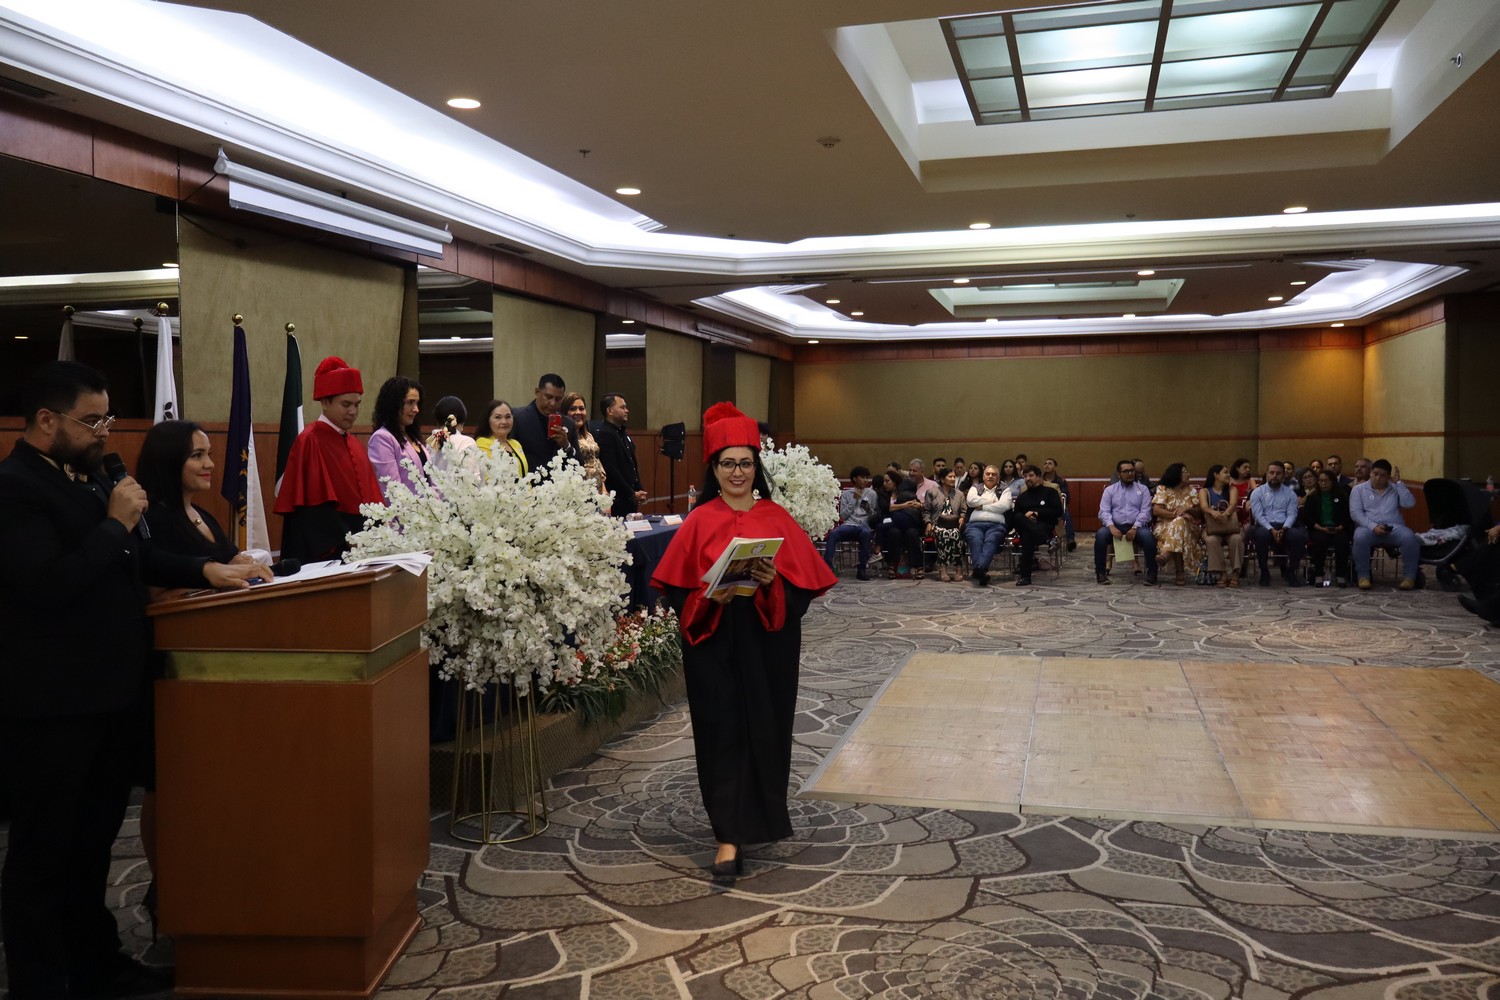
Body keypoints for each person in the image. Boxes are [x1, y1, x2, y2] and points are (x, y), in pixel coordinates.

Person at [0, 362, 265, 1000]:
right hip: (53, 705)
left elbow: (136, 557)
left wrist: (206, 570)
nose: (103, 434)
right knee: (44, 854)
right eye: (92, 421)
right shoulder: (15, 489)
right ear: (46, 420)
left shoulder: (88, 477)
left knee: (93, 843)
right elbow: (47, 583)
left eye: (107, 419)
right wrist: (115, 523)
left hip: (108, 695)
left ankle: (96, 965)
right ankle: (41, 983)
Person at [649, 402, 835, 882]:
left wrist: (773, 583)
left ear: (757, 466)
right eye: (728, 463)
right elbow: (677, 592)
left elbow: (801, 592)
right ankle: (727, 837)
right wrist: (709, 595)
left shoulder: (776, 516)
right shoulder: (698, 521)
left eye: (746, 463)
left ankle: (760, 818)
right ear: (713, 468)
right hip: (713, 642)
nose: (737, 472)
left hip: (767, 642)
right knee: (721, 730)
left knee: (766, 730)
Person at [274, 356, 385, 564]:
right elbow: (312, 508)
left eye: (357, 405)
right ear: (325, 402)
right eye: (346, 404)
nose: (353, 412)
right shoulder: (310, 440)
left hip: (360, 545)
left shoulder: (355, 444)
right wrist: (347, 541)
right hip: (328, 547)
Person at [1351, 459, 1418, 590]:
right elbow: (1356, 514)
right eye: (1375, 474)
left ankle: (1409, 577)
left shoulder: (1395, 488)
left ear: (1388, 477)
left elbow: (1409, 504)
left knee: (1410, 537)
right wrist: (1373, 527)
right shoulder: (1358, 490)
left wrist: (1399, 484)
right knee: (1359, 537)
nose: (1378, 478)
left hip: (1394, 528)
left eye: (1382, 475)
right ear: (1370, 473)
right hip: (1369, 528)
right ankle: (1363, 576)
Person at [1095, 458, 1157, 585]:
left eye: (1132, 471)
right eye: (1126, 471)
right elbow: (1104, 512)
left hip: (1137, 526)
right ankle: (1100, 573)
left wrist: (1135, 527)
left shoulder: (1143, 489)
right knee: (1101, 536)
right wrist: (1111, 527)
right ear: (1119, 474)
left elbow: (1145, 512)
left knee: (1148, 538)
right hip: (1114, 525)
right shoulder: (1110, 490)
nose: (1130, 474)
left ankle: (1152, 574)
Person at [366, 375, 429, 500]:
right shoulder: (382, 438)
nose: (416, 409)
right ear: (393, 404)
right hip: (404, 510)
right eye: (410, 402)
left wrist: (438, 509)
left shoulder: (413, 436)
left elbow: (431, 482)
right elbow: (393, 489)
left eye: (417, 403)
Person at [1249, 461, 1306, 587]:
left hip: (1285, 525)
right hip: (1265, 526)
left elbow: (1292, 514)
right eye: (1271, 473)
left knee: (1298, 537)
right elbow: (1258, 515)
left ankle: (1291, 571)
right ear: (1267, 474)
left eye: (1278, 473)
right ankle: (1264, 571)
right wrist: (1271, 529)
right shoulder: (1257, 492)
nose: (1274, 476)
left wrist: (1284, 528)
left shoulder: (1290, 493)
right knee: (1261, 536)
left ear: (1283, 475)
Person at [510, 373, 578, 474]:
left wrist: (566, 445)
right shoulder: (517, 418)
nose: (553, 403)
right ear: (537, 392)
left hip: (560, 482)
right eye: (548, 397)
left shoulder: (569, 424)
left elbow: (579, 464)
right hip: (527, 481)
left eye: (558, 399)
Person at [594, 393, 646, 517]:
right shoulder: (605, 434)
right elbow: (611, 470)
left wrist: (639, 489)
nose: (627, 410)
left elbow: (632, 465)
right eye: (622, 407)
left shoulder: (623, 433)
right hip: (618, 500)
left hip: (630, 498)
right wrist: (631, 493)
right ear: (610, 411)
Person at [1152, 462, 1203, 586]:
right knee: (1179, 525)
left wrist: (1188, 509)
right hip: (1165, 527)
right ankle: (1180, 573)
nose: (1188, 474)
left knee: (1179, 525)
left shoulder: (1191, 491)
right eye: (1185, 472)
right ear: (1176, 474)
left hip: (1190, 528)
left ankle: (1166, 554)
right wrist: (1178, 516)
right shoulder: (1163, 489)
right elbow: (1157, 510)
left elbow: (1199, 513)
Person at [1301, 468, 1352, 587]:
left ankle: (1340, 575)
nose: (1323, 483)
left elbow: (1347, 515)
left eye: (1326, 481)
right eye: (1320, 481)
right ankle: (1318, 574)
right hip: (1319, 528)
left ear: (1332, 481)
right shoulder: (1313, 497)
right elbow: (1308, 518)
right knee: (1320, 541)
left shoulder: (1341, 496)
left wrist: (1340, 527)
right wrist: (1319, 527)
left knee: (1342, 541)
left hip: (1338, 528)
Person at [964, 464, 1013, 587]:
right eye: (988, 474)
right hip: (974, 524)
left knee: (991, 540)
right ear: (983, 476)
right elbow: (971, 501)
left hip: (996, 525)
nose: (990, 476)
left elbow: (1004, 506)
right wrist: (993, 501)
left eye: (993, 474)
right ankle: (981, 571)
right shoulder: (975, 488)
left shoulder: (1004, 489)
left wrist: (982, 506)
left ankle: (979, 569)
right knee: (976, 540)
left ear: (998, 477)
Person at [1012, 465, 1061, 586]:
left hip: (1044, 526)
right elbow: (1016, 516)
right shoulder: (1022, 497)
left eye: (1031, 475)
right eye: (1025, 476)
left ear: (1039, 477)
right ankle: (1048, 541)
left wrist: (1036, 513)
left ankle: (1025, 577)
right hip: (1027, 527)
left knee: (1028, 536)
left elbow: (1058, 511)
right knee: (1019, 518)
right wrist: (1026, 517)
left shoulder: (1050, 492)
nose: (1028, 478)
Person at [824, 465, 875, 580]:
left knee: (866, 533)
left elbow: (873, 516)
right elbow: (843, 515)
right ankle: (827, 569)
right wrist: (854, 500)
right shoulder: (847, 494)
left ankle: (862, 570)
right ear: (855, 478)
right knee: (833, 534)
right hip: (848, 525)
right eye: (862, 477)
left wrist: (868, 509)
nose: (865, 480)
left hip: (863, 525)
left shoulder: (871, 494)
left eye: (867, 478)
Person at [1199, 464, 1245, 587]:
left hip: (1230, 526)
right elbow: (1204, 506)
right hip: (1212, 527)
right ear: (1216, 475)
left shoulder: (1232, 489)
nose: (1228, 475)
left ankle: (1236, 572)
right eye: (1225, 472)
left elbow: (1233, 504)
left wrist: (1226, 513)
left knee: (1237, 539)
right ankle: (1222, 573)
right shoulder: (1204, 491)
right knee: (1211, 540)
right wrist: (1212, 512)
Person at [881, 467, 927, 579]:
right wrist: (903, 506)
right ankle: (892, 565)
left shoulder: (907, 495)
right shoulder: (883, 494)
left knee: (911, 533)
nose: (884, 484)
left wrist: (920, 505)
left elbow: (917, 508)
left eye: (887, 481)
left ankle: (918, 565)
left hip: (908, 524)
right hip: (893, 524)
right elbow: (885, 508)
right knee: (894, 533)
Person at [924, 466, 967, 582]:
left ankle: (959, 568)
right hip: (937, 524)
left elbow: (964, 510)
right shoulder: (932, 492)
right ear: (942, 479)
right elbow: (926, 510)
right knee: (944, 534)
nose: (953, 479)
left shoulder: (959, 494)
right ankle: (942, 568)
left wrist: (962, 517)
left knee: (955, 534)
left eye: (954, 477)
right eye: (950, 477)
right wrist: (928, 523)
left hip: (954, 524)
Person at [562, 391, 607, 499]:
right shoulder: (563, 437)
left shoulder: (589, 436)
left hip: (597, 493)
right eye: (573, 409)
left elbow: (597, 463)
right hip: (577, 495)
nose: (578, 412)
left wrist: (604, 492)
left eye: (581, 408)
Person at [475, 399, 529, 476]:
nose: (504, 422)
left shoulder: (516, 444)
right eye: (498, 417)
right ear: (488, 420)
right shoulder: (482, 443)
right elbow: (487, 475)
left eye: (508, 417)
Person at [425, 395, 478, 472]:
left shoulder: (431, 443)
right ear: (462, 422)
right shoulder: (467, 442)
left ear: (437, 422)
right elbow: (473, 476)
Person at [1041, 457, 1076, 551]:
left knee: (1066, 514)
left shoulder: (1061, 481)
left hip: (1057, 507)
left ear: (1055, 467)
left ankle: (1070, 540)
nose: (1047, 465)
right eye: (1045, 463)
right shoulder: (1040, 480)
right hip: (1041, 507)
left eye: (1050, 463)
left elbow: (1066, 498)